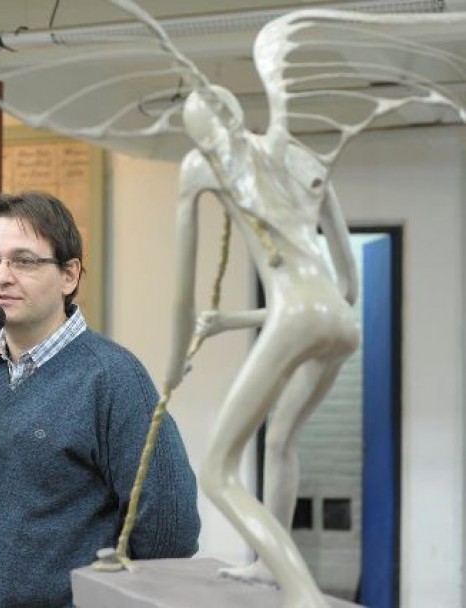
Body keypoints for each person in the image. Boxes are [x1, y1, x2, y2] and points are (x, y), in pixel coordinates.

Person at [0, 190, 200, 607]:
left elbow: (170, 531)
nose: (2, 276)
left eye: (24, 261)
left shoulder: (112, 378)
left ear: (69, 275)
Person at [164, 85, 359, 608]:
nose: (206, 149)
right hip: (340, 324)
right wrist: (232, 321)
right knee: (279, 442)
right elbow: (344, 289)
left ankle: (302, 594)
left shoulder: (201, 167)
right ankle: (265, 567)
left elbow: (182, 293)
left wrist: (173, 365)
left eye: (202, 137)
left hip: (297, 318)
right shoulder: (298, 156)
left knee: (217, 470)